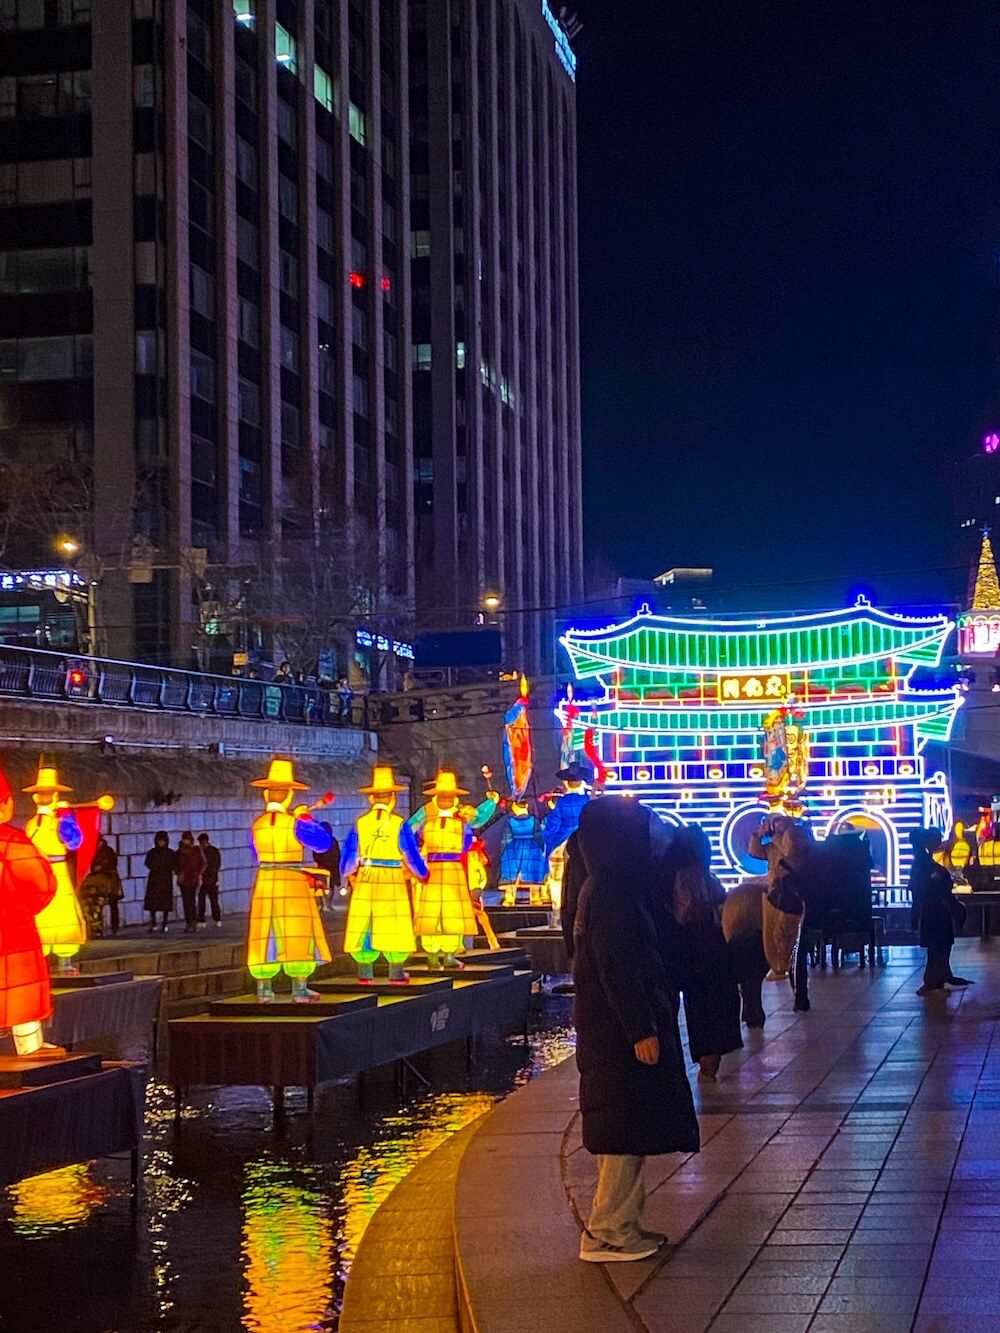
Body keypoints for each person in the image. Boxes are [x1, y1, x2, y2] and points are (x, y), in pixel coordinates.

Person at [573, 797, 699, 1263]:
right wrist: (640, 1029)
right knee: (624, 1133)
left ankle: (619, 1225)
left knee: (626, 1129)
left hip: (610, 1036)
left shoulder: (607, 886)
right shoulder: (612, 894)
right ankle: (609, 1231)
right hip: (618, 1039)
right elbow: (619, 968)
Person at [657, 827, 743, 1082]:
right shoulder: (700, 876)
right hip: (706, 947)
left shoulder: (667, 874)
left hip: (682, 949)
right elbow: (703, 909)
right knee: (709, 1003)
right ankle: (709, 1058)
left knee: (694, 1005)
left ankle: (702, 1059)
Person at [246, 758, 333, 1002]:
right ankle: (299, 988)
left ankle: (264, 989)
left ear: (266, 795)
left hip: (265, 880)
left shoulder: (257, 824)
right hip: (291, 880)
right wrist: (305, 818)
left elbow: (254, 852)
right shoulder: (295, 824)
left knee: (265, 934)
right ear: (290, 795)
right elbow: (323, 843)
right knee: (297, 932)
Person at [340, 766, 428, 982]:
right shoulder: (399, 824)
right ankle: (395, 971)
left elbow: (350, 854)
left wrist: (346, 873)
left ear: (371, 798)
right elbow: (411, 855)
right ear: (393, 799)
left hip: (367, 876)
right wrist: (423, 875)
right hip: (391, 876)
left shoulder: (360, 823)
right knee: (393, 922)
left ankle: (365, 971)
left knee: (365, 921)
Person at [407, 770, 498, 970]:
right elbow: (408, 830)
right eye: (443, 795)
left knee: (452, 912)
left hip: (453, 868)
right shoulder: (427, 812)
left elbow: (478, 820)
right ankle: (432, 954)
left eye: (450, 795)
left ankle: (449, 954)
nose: (447, 799)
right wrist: (416, 857)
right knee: (431, 912)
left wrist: (491, 802)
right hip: (431, 867)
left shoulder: (462, 813)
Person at [0, 764, 58, 1057]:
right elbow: (41, 886)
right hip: (13, 933)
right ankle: (29, 1048)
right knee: (20, 993)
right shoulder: (13, 841)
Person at [910, 828, 972, 995]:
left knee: (940, 943)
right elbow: (924, 889)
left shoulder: (925, 862)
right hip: (935, 909)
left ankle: (940, 975)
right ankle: (933, 979)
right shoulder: (925, 864)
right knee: (938, 944)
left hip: (936, 908)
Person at [79, 834, 123, 937]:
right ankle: (97, 929)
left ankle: (114, 927)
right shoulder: (95, 851)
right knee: (96, 905)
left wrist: (102, 867)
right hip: (98, 883)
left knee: (113, 905)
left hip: (109, 882)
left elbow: (113, 863)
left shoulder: (108, 851)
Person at [175, 831, 207, 934]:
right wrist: (179, 872)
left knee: (192, 901)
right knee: (186, 902)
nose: (186, 841)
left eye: (187, 839)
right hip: (183, 879)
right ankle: (188, 922)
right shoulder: (179, 851)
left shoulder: (196, 850)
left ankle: (193, 922)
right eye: (185, 839)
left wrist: (198, 873)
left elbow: (203, 863)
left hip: (193, 878)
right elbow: (175, 864)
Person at [144, 831, 174, 933]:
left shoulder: (170, 853)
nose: (161, 842)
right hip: (155, 879)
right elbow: (148, 863)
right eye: (159, 840)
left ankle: (164, 924)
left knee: (165, 903)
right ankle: (153, 923)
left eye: (163, 841)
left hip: (165, 879)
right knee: (153, 902)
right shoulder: (152, 852)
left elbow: (174, 864)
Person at [310, 821, 341, 911]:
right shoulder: (332, 840)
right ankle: (327, 904)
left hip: (326, 866)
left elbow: (316, 854)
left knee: (325, 885)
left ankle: (326, 904)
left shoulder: (323, 841)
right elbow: (337, 854)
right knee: (327, 885)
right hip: (329, 866)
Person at [197, 832, 222, 927]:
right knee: (207, 900)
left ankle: (210, 919)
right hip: (210, 879)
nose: (202, 845)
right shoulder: (214, 851)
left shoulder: (209, 852)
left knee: (212, 900)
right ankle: (215, 919)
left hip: (209, 879)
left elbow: (216, 866)